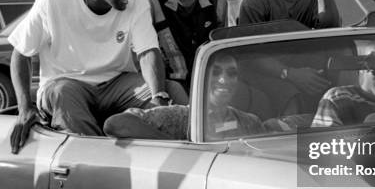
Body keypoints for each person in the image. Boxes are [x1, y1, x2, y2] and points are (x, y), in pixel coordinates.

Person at [9, 0, 183, 153]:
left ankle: (194, 151)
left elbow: (148, 53)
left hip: (117, 83)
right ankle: (95, 157)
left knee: (171, 90)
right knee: (62, 93)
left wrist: (159, 97)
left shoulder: (137, 2)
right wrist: (24, 108)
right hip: (67, 83)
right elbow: (20, 53)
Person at [237, 0, 339, 115]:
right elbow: (248, 54)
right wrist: (291, 74)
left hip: (299, 65)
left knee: (338, 91)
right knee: (292, 99)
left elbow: (331, 31)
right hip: (260, 71)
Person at [103, 53, 265, 141]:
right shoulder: (180, 117)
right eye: (215, 73)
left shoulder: (249, 122)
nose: (224, 80)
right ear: (201, 79)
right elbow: (116, 124)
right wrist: (177, 147)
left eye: (231, 74)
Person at [141, 0, 228, 93]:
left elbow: (223, 50)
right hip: (165, 85)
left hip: (207, 83)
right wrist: (159, 93)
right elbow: (141, 55)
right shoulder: (150, 0)